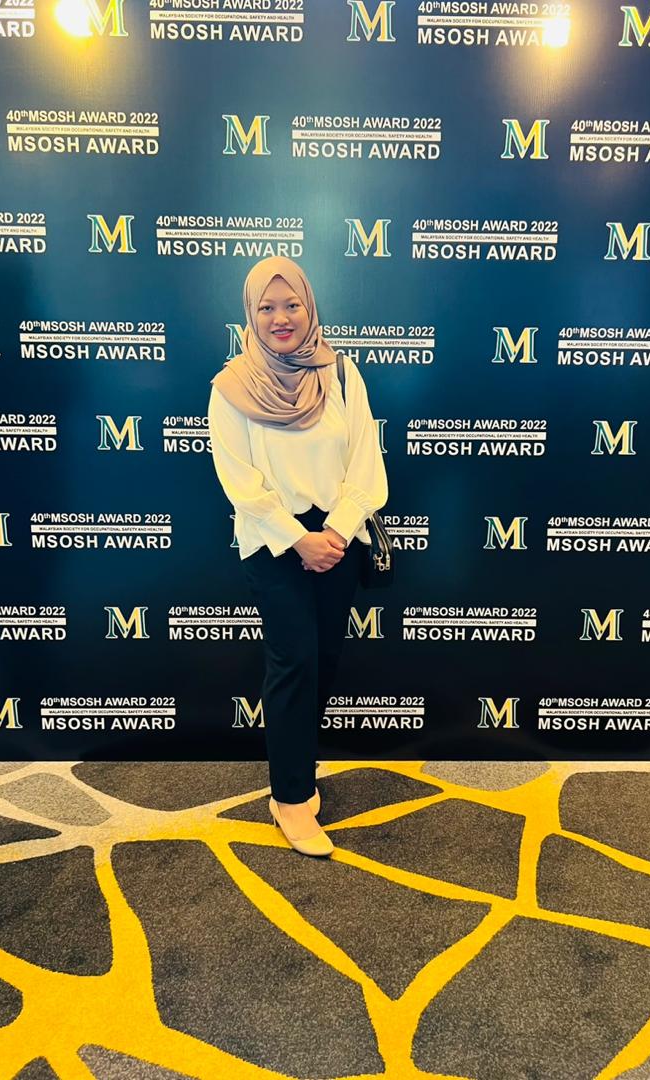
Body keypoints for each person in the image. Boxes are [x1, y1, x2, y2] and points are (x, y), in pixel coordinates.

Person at [207, 256, 389, 857]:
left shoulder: (341, 374)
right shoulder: (232, 386)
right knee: (294, 661)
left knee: (325, 661)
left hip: (338, 537)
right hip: (274, 542)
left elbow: (366, 461)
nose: (280, 318)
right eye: (267, 307)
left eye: (292, 305)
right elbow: (239, 481)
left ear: (310, 308)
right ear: (250, 314)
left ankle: (299, 773)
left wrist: (334, 531)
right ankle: (289, 797)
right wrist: (299, 539)